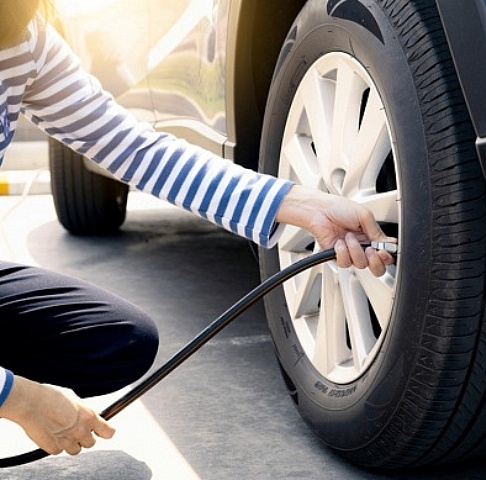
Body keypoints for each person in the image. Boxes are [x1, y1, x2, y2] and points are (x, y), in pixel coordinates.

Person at [0, 0, 395, 457]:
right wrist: (20, 398)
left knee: (121, 341)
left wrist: (300, 204)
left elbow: (135, 150)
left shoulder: (21, 39)